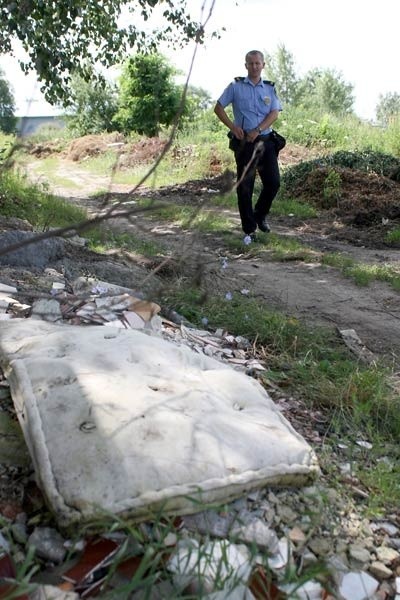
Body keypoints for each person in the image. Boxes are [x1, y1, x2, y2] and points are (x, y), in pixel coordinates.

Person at [214, 50, 282, 239]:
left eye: (257, 63)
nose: (254, 67)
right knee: (245, 187)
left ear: (263, 65)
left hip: (266, 142)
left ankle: (259, 215)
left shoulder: (269, 88)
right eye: (250, 63)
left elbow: (274, 113)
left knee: (274, 183)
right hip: (244, 144)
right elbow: (218, 108)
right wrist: (233, 126)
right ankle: (249, 230)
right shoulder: (235, 86)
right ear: (245, 66)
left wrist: (258, 130)